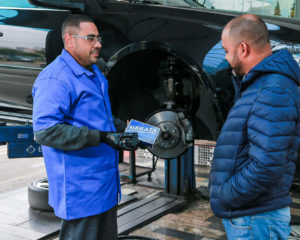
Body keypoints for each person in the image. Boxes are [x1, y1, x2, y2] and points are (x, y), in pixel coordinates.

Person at [32, 14, 139, 240]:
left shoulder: (94, 73)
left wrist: (131, 128)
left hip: (105, 185)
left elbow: (99, 118)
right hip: (80, 190)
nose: (99, 44)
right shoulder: (55, 79)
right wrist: (101, 137)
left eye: (98, 38)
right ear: (70, 40)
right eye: (90, 38)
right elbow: (45, 131)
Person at [209, 14, 300, 240]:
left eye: (226, 50)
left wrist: (226, 194)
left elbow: (267, 165)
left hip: (255, 218)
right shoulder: (262, 85)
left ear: (242, 49)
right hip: (252, 216)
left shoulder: (272, 90)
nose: (226, 57)